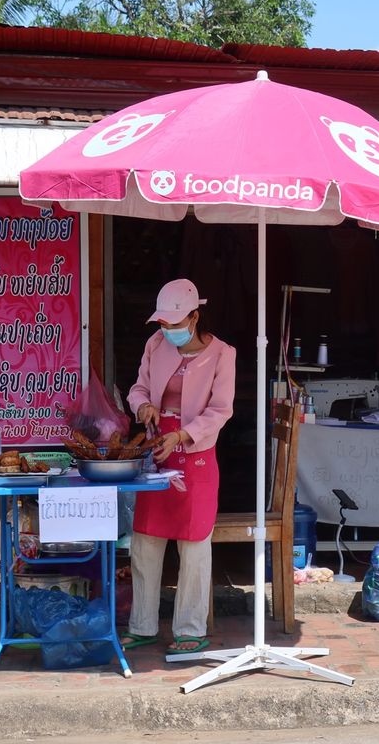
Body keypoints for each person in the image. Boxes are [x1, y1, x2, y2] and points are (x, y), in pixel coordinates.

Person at [121, 278, 235, 654]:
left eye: (174, 324)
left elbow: (220, 411)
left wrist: (183, 435)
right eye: (164, 324)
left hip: (197, 454)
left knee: (194, 545)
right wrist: (143, 407)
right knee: (146, 541)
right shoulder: (155, 345)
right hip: (157, 450)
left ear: (195, 317)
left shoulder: (223, 355)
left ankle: (189, 630)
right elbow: (137, 388)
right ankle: (142, 626)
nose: (167, 331)